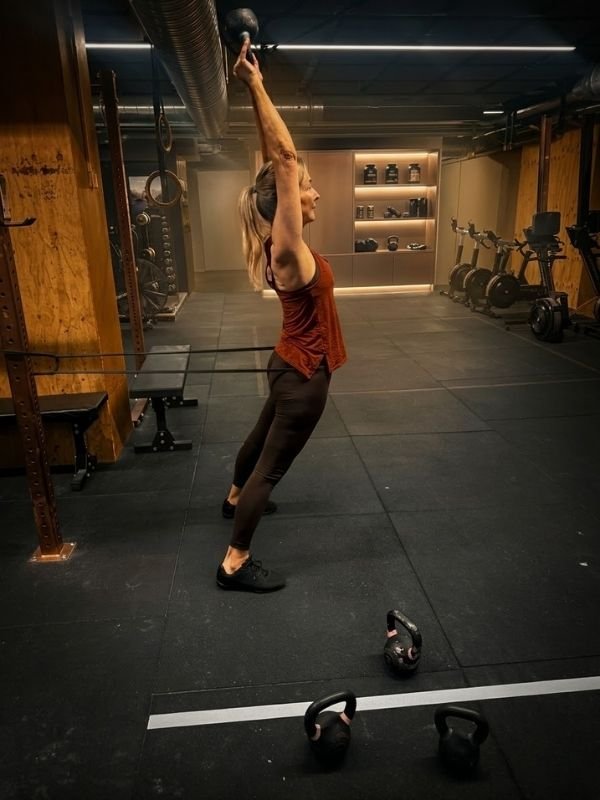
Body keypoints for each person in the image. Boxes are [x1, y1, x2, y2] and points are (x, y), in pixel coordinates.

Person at [216, 38, 347, 594]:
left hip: (285, 363)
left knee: (258, 438)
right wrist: (255, 83)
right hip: (304, 375)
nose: (314, 193)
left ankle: (232, 498)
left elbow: (276, 162)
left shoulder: (277, 244)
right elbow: (285, 161)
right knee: (270, 470)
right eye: (307, 188)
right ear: (289, 203)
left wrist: (254, 91)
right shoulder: (288, 248)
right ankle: (235, 562)